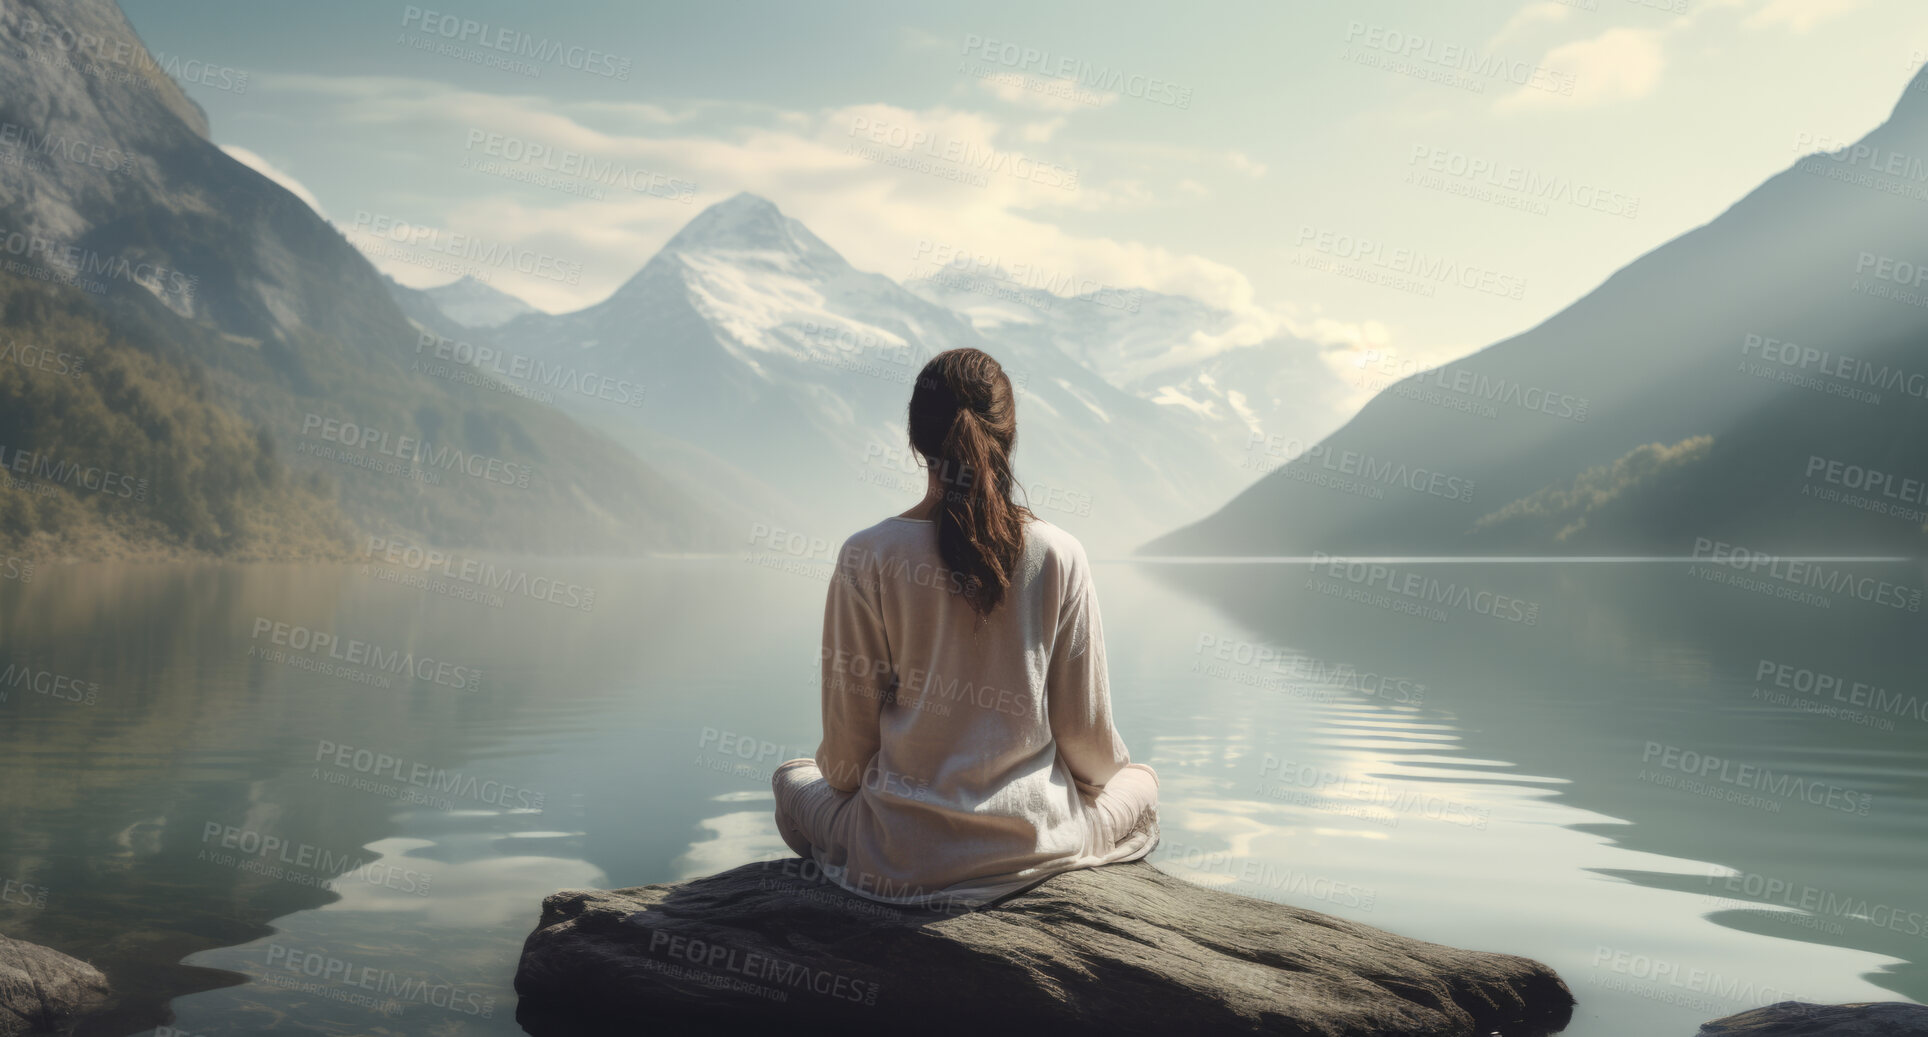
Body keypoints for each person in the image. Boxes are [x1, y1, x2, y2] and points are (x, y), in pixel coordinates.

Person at [771, 346, 1159, 910]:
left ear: (915, 440)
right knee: (1142, 782)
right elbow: (1092, 753)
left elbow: (846, 765)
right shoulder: (1059, 553)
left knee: (791, 776)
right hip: (1039, 847)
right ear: (1008, 437)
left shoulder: (867, 555)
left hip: (897, 857)